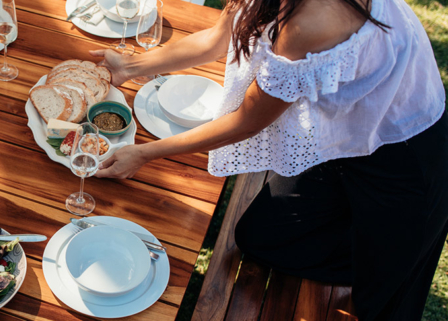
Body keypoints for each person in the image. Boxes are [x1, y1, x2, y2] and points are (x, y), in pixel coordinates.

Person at [90, 0, 446, 319]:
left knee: (381, 301)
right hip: (342, 141)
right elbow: (216, 40)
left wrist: (143, 153)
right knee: (259, 237)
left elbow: (247, 122)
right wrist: (128, 67)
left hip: (407, 157)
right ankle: (374, 248)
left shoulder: (314, 21)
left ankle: (389, 261)